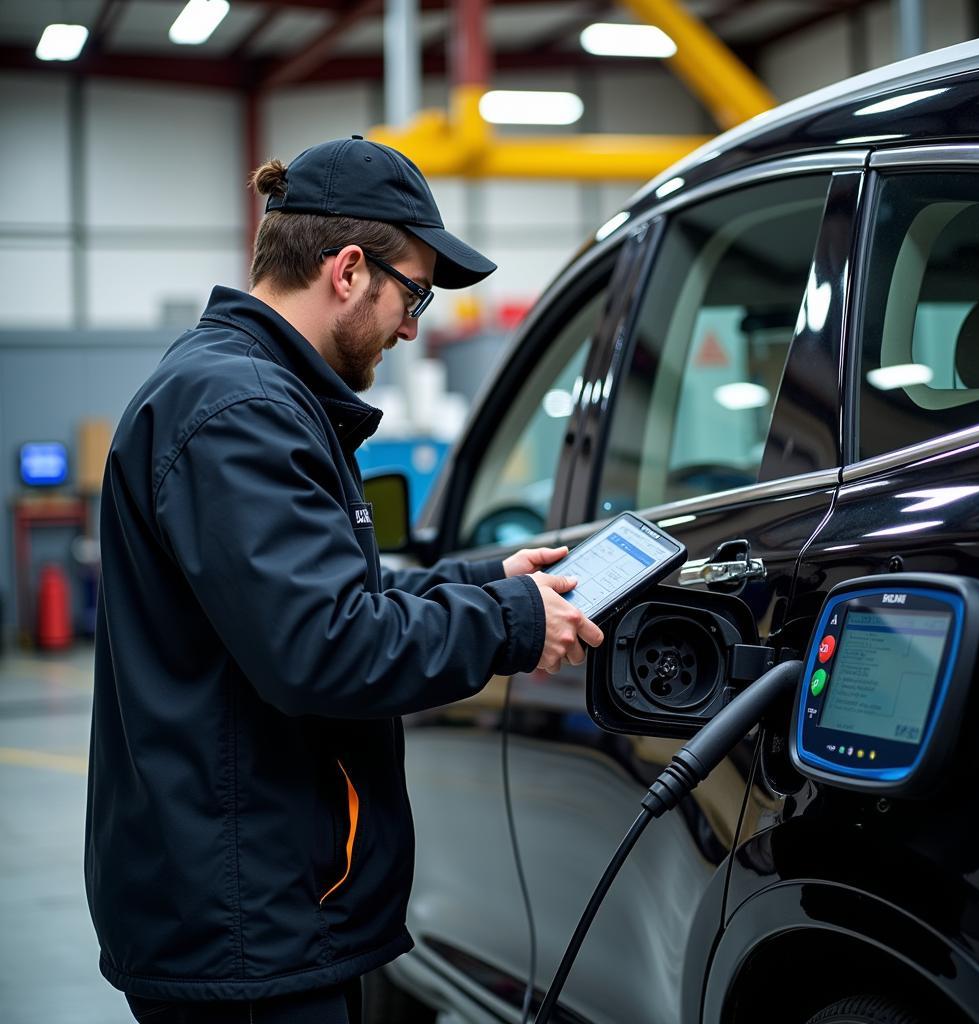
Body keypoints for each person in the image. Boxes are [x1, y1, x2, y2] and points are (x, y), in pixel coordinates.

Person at [85, 135, 604, 1024]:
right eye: (415, 293)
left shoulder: (247, 394)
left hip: (249, 903)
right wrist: (507, 624)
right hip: (248, 925)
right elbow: (322, 648)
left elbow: (317, 599)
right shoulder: (241, 412)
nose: (412, 326)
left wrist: (482, 578)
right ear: (349, 269)